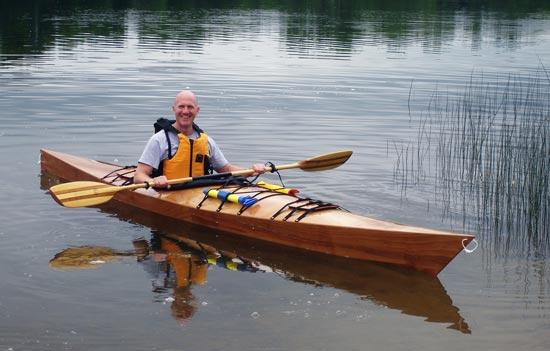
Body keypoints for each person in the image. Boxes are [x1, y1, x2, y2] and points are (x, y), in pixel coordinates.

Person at [134, 90, 265, 188]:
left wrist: (251, 171)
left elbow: (226, 170)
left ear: (197, 110)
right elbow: (139, 175)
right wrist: (153, 181)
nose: (185, 111)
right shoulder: (159, 139)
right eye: (181, 106)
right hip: (168, 192)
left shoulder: (206, 141)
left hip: (198, 194)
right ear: (174, 109)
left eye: (190, 107)